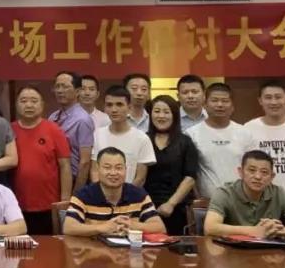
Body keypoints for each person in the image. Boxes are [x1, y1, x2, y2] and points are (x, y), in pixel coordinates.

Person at [204, 150, 285, 239]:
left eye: (264, 172)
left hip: (270, 254)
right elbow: (210, 228)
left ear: (272, 177)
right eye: (252, 170)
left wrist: (280, 231)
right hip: (232, 252)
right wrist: (254, 231)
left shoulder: (279, 193)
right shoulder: (224, 193)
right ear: (241, 172)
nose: (258, 177)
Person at [63, 147, 166, 237]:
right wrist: (102, 228)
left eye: (119, 168)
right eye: (107, 167)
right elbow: (68, 228)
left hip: (129, 251)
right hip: (94, 251)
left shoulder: (139, 195)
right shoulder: (83, 195)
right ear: (98, 169)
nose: (113, 173)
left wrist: (131, 225)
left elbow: (160, 228)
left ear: (125, 170)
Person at [11, 86, 71, 235]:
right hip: (16, 205)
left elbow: (65, 166)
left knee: (49, 246)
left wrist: (64, 200)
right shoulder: (9, 130)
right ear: (16, 104)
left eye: (34, 101)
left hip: (49, 205)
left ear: (42, 105)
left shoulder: (54, 130)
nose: (29, 105)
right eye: (23, 101)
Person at [143, 95, 199, 236]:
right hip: (146, 207)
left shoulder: (185, 142)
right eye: (157, 111)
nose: (161, 116)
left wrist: (171, 204)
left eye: (166, 112)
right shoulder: (143, 139)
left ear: (174, 115)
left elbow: (190, 177)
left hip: (177, 208)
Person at [186, 82, 250, 199]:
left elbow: (252, 168)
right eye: (214, 100)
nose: (219, 105)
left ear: (232, 106)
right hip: (206, 201)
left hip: (241, 201)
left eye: (225, 101)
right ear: (205, 104)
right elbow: (188, 172)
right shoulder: (191, 134)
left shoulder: (245, 132)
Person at [91, 85, 155, 188]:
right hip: (100, 195)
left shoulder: (142, 138)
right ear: (104, 108)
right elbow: (95, 171)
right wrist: (101, 193)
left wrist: (124, 195)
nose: (114, 109)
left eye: (119, 104)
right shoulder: (97, 135)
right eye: (109, 105)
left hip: (130, 195)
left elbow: (140, 177)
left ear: (129, 108)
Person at [49, 71, 95, 190]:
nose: (60, 91)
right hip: (53, 178)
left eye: (65, 86)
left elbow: (85, 162)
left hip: (73, 179)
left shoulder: (83, 120)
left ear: (78, 91)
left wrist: (76, 194)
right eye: (57, 86)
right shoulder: (53, 117)